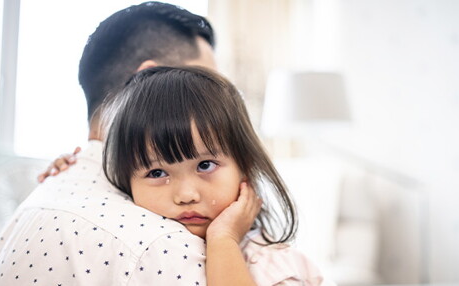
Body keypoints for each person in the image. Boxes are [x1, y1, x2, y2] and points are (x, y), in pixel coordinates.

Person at [0, 2, 217, 285]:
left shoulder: (38, 203)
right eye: (205, 85)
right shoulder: (164, 247)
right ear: (147, 81)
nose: (216, 103)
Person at [100, 65, 331, 285]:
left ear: (245, 166)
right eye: (157, 172)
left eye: (205, 165)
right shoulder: (152, 253)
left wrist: (224, 239)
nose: (186, 195)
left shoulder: (272, 266)